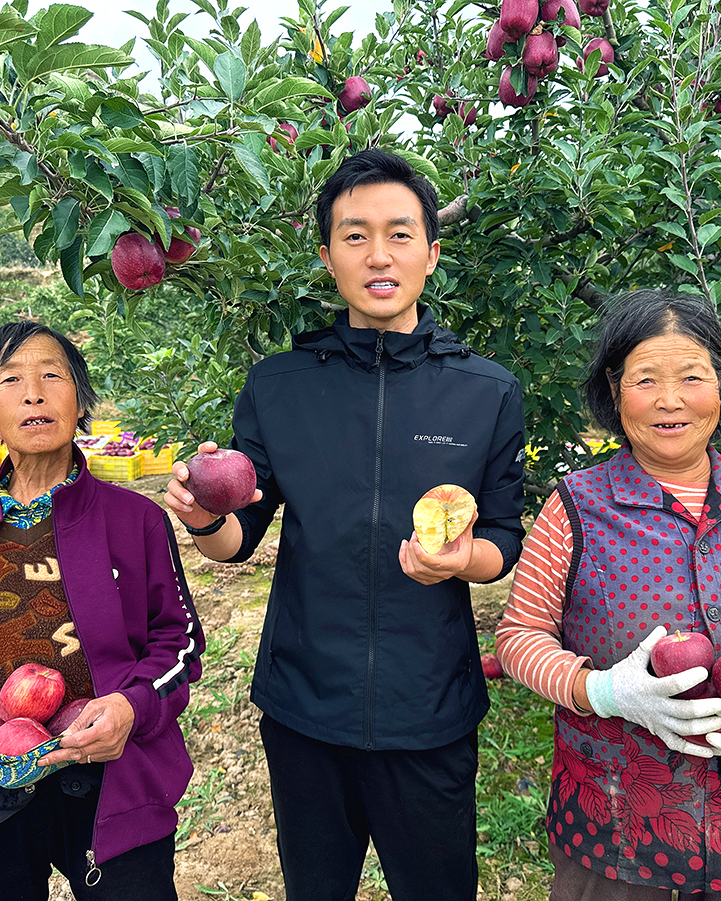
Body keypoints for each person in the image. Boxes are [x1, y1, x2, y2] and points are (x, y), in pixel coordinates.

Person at [164, 148, 526, 901]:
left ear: (431, 251)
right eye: (355, 236)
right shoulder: (280, 384)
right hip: (305, 704)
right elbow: (239, 538)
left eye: (399, 233)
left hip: (429, 706)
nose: (378, 254)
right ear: (328, 256)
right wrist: (204, 517)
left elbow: (501, 539)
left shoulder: (485, 391)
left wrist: (460, 562)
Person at [496, 289, 721, 900]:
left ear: (720, 385)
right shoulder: (575, 508)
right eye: (646, 380)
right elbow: (519, 638)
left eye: (692, 377)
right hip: (616, 832)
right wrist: (602, 691)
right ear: (615, 390)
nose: (670, 400)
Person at [0, 321, 205, 901]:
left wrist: (131, 707)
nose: (34, 394)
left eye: (53, 375)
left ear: (81, 401)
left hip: (109, 780)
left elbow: (177, 641)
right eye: (10, 380)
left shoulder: (136, 522)